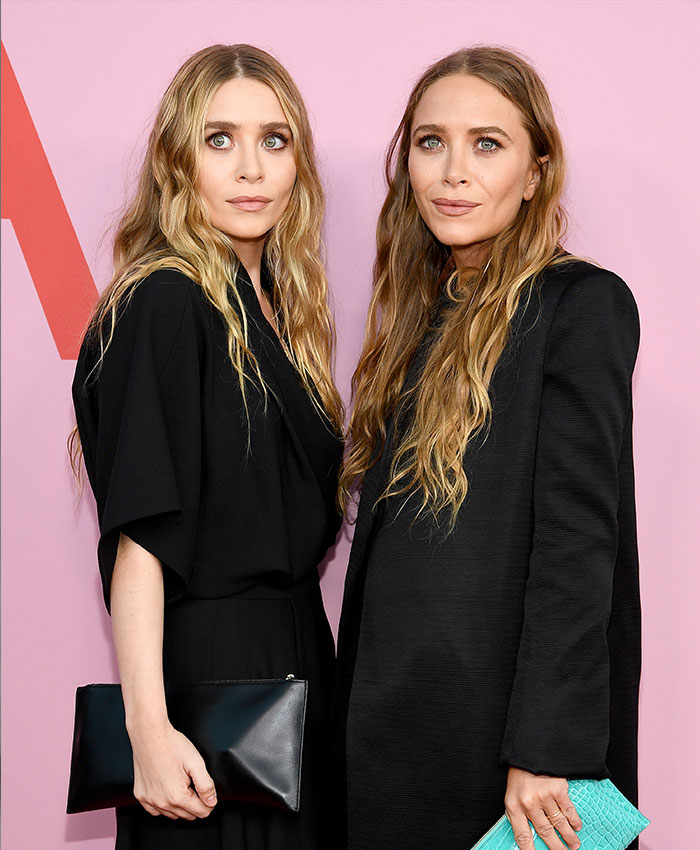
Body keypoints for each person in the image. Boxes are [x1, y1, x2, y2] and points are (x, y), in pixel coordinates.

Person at [334, 46, 641, 850]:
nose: (452, 173)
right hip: (391, 717)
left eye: (488, 144)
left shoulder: (581, 305)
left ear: (537, 171)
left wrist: (549, 747)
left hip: (506, 742)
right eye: (430, 143)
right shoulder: (414, 319)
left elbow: (579, 544)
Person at [70, 43, 343, 850]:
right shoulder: (164, 299)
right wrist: (148, 732)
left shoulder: (274, 310)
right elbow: (143, 542)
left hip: (296, 677)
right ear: (177, 160)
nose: (250, 167)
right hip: (209, 695)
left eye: (275, 139)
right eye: (219, 139)